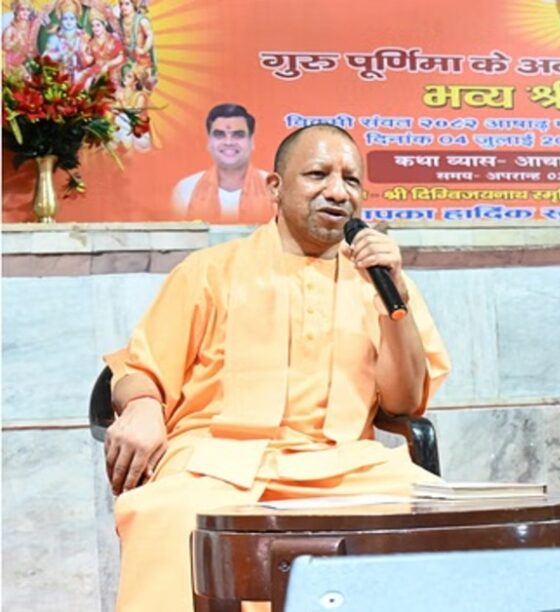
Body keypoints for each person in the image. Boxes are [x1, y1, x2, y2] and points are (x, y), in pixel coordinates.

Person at [104, 124, 450, 611]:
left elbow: (403, 402)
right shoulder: (210, 271)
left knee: (442, 516)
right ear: (275, 187)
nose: (336, 190)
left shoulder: (379, 282)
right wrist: (141, 404)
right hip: (216, 464)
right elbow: (142, 367)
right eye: (317, 174)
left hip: (345, 467)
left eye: (351, 180)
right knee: (167, 514)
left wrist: (395, 303)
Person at [171, 103, 273, 223]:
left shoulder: (273, 188)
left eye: (238, 135)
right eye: (219, 135)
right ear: (209, 142)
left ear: (252, 142)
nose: (228, 142)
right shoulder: (186, 189)